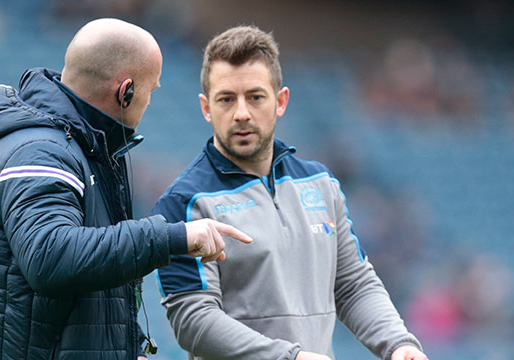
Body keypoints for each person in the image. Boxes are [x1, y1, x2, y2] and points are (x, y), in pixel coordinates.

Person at [0, 18, 251, 360]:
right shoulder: (40, 150)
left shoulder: (80, 147)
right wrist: (172, 237)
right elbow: (50, 257)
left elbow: (87, 275)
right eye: (151, 90)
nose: (149, 102)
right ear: (126, 91)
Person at [153, 25, 428, 360]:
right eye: (226, 99)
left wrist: (398, 344)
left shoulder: (320, 184)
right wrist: (289, 357)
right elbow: (193, 320)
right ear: (206, 107)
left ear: (280, 101)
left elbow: (353, 284)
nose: (241, 113)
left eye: (255, 97)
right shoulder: (184, 202)